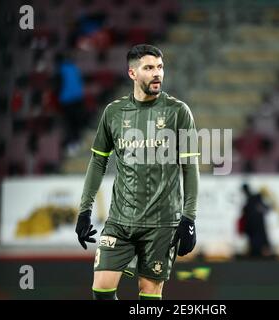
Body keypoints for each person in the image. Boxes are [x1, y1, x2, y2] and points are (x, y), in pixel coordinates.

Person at [75, 44, 200, 300]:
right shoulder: (113, 113)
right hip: (120, 220)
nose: (157, 74)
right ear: (132, 73)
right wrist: (84, 210)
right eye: (149, 68)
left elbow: (190, 167)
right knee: (101, 289)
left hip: (162, 223)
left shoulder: (178, 112)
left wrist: (189, 218)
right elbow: (97, 162)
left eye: (160, 67)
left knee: (149, 294)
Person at [239, 184, 271, 258]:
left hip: (258, 228)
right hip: (252, 229)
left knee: (262, 248)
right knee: (254, 249)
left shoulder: (256, 198)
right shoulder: (249, 201)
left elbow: (266, 208)